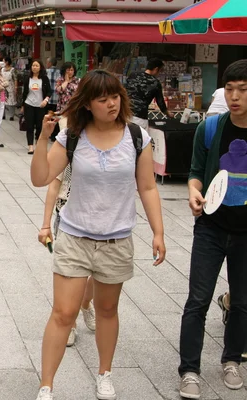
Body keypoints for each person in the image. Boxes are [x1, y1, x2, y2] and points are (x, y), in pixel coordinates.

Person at [30, 69, 166, 400]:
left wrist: (158, 232)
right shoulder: (72, 135)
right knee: (63, 313)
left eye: (115, 97)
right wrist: (44, 138)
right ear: (88, 104)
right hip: (75, 237)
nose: (111, 104)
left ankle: (104, 373)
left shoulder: (138, 137)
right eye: (103, 99)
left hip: (116, 239)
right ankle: (46, 386)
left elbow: (147, 187)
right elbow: (41, 177)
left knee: (106, 311)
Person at [179, 59, 247, 400]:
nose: (234, 96)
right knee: (198, 300)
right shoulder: (211, 127)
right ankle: (189, 370)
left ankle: (232, 360)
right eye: (230, 89)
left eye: (243, 90)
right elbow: (194, 171)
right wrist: (193, 190)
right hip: (211, 227)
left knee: (243, 302)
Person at [39, 164, 96, 347]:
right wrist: (46, 224)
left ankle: (85, 302)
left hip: (103, 218)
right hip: (68, 216)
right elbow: (54, 185)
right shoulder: (70, 139)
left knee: (98, 270)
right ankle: (70, 322)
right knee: (72, 273)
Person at [125, 58, 173, 130]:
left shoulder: (133, 75)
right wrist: (168, 114)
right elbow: (160, 103)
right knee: (141, 139)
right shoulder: (155, 83)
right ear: (156, 69)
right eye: (159, 71)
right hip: (140, 117)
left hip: (125, 114)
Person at [22, 60, 51, 155]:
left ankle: (38, 144)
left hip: (40, 106)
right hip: (29, 104)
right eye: (33, 65)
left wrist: (45, 100)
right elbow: (24, 93)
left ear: (40, 67)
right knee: (29, 126)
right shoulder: (27, 79)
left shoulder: (44, 79)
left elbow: (49, 92)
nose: (34, 67)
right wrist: (23, 105)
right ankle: (30, 146)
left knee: (39, 126)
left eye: (36, 66)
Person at [2, 56, 17, 121]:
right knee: (3, 101)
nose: (3, 62)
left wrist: (16, 87)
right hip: (3, 87)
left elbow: (15, 79)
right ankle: (3, 115)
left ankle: (11, 115)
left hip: (11, 86)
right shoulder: (2, 69)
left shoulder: (12, 69)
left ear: (7, 62)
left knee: (12, 101)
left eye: (4, 61)